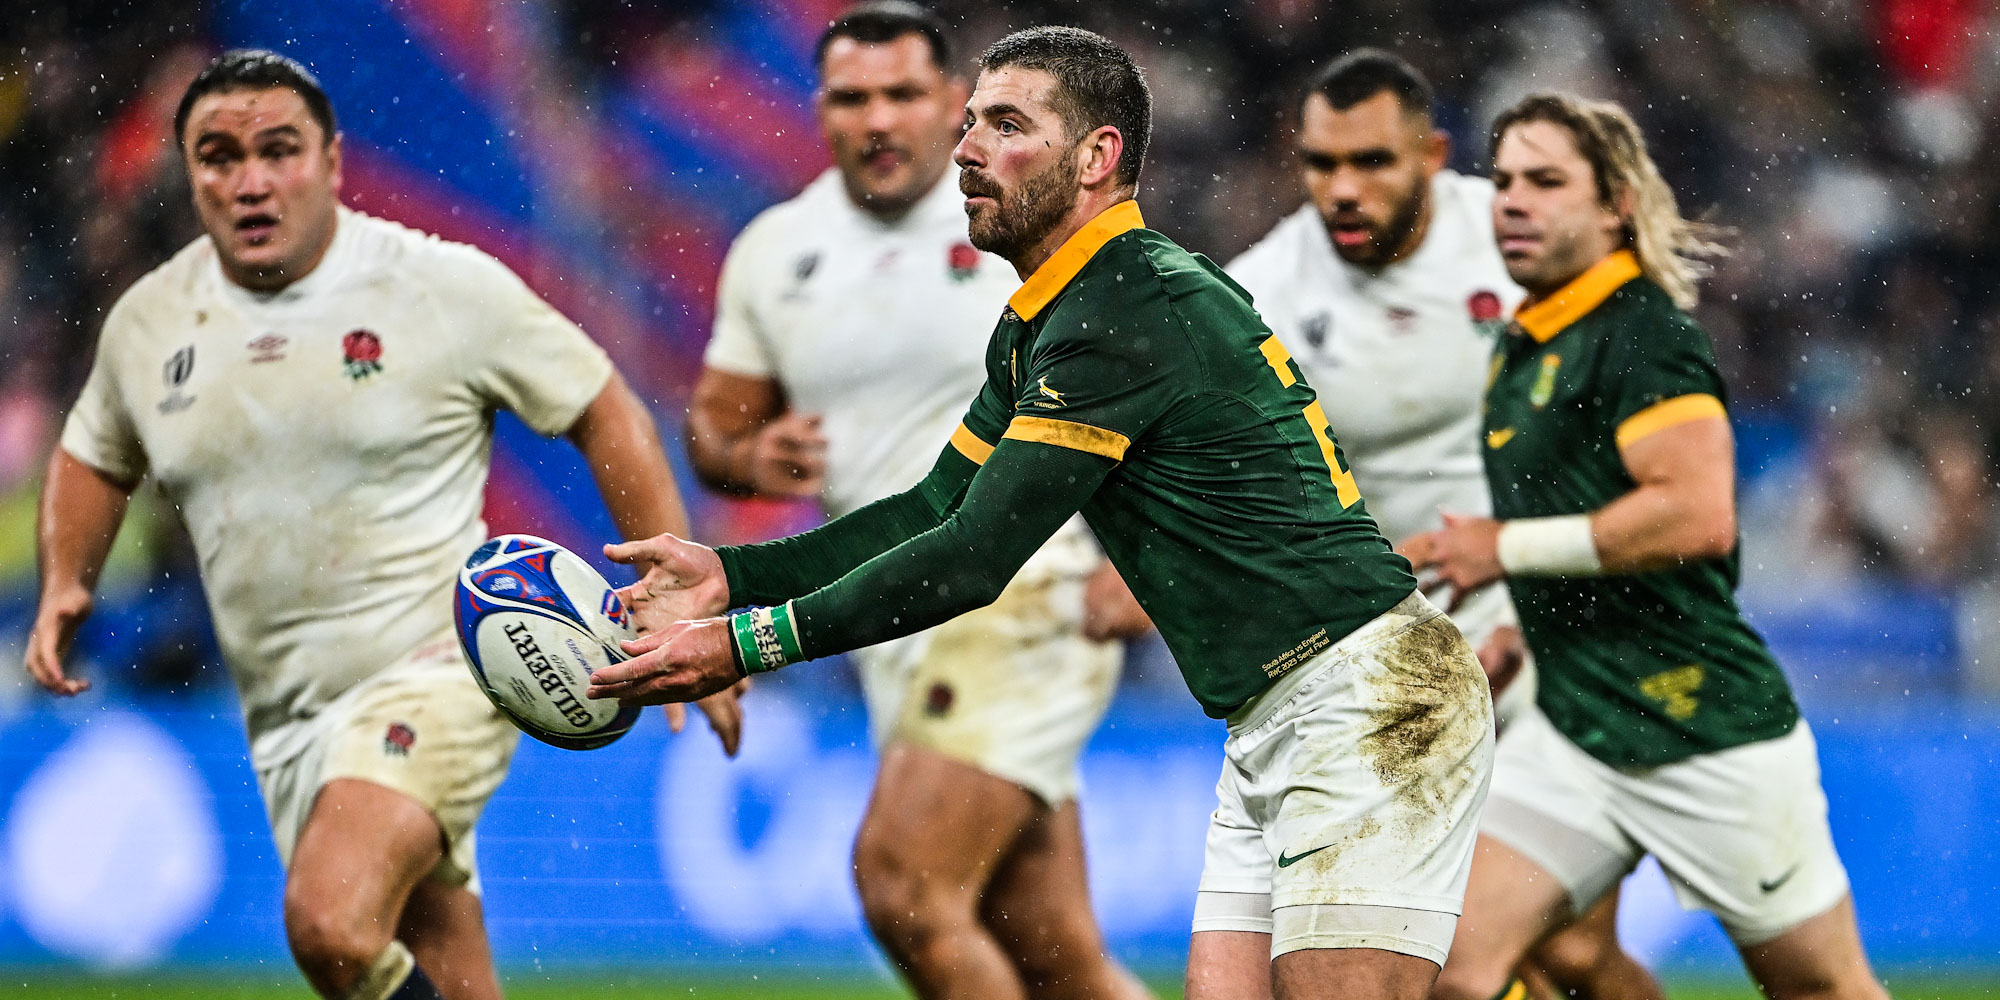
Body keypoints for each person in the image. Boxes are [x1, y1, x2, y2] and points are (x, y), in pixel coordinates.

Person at [592, 26, 1493, 1000]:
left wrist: (748, 644)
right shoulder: (1045, 320)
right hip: (1271, 712)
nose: (969, 147)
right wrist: (731, 577)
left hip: (1361, 692)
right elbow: (931, 507)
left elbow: (974, 557)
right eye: (972, 120)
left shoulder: (1123, 305)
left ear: (1097, 157)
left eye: (1007, 125)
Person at [22, 50, 743, 1000]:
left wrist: (673, 597)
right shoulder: (154, 321)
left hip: (437, 668)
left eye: (278, 150)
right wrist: (69, 576)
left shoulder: (439, 287)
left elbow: (600, 405)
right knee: (428, 965)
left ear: (331, 160)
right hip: (284, 712)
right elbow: (92, 451)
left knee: (332, 925)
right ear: (189, 170)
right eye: (219, 155)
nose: (250, 180)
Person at [684, 5, 1147, 999]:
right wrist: (747, 453)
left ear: (953, 106)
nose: (878, 119)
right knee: (1053, 950)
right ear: (821, 110)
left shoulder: (1020, 216)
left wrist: (1147, 558)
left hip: (1021, 591)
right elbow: (713, 435)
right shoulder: (777, 249)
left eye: (903, 94)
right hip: (892, 614)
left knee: (902, 885)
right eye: (853, 97)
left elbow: (1144, 379)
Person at [1400, 92, 1890, 1000]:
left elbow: (1697, 515)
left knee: (1823, 988)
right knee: (1454, 971)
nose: (1512, 201)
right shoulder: (1524, 345)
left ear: (1615, 203)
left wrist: (1502, 547)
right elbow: (1578, 533)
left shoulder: (1645, 336)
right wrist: (1525, 627)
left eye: (1547, 181)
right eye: (1504, 180)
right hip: (1580, 729)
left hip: (1702, 726)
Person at [1226, 51, 1661, 1000]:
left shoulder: (1519, 243)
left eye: (1373, 162)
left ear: (1433, 153)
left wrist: (1558, 611)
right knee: (1463, 962)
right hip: (1393, 667)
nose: (1343, 188)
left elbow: (1637, 422)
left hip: (1552, 627)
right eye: (1320, 163)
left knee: (1560, 952)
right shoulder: (1260, 294)